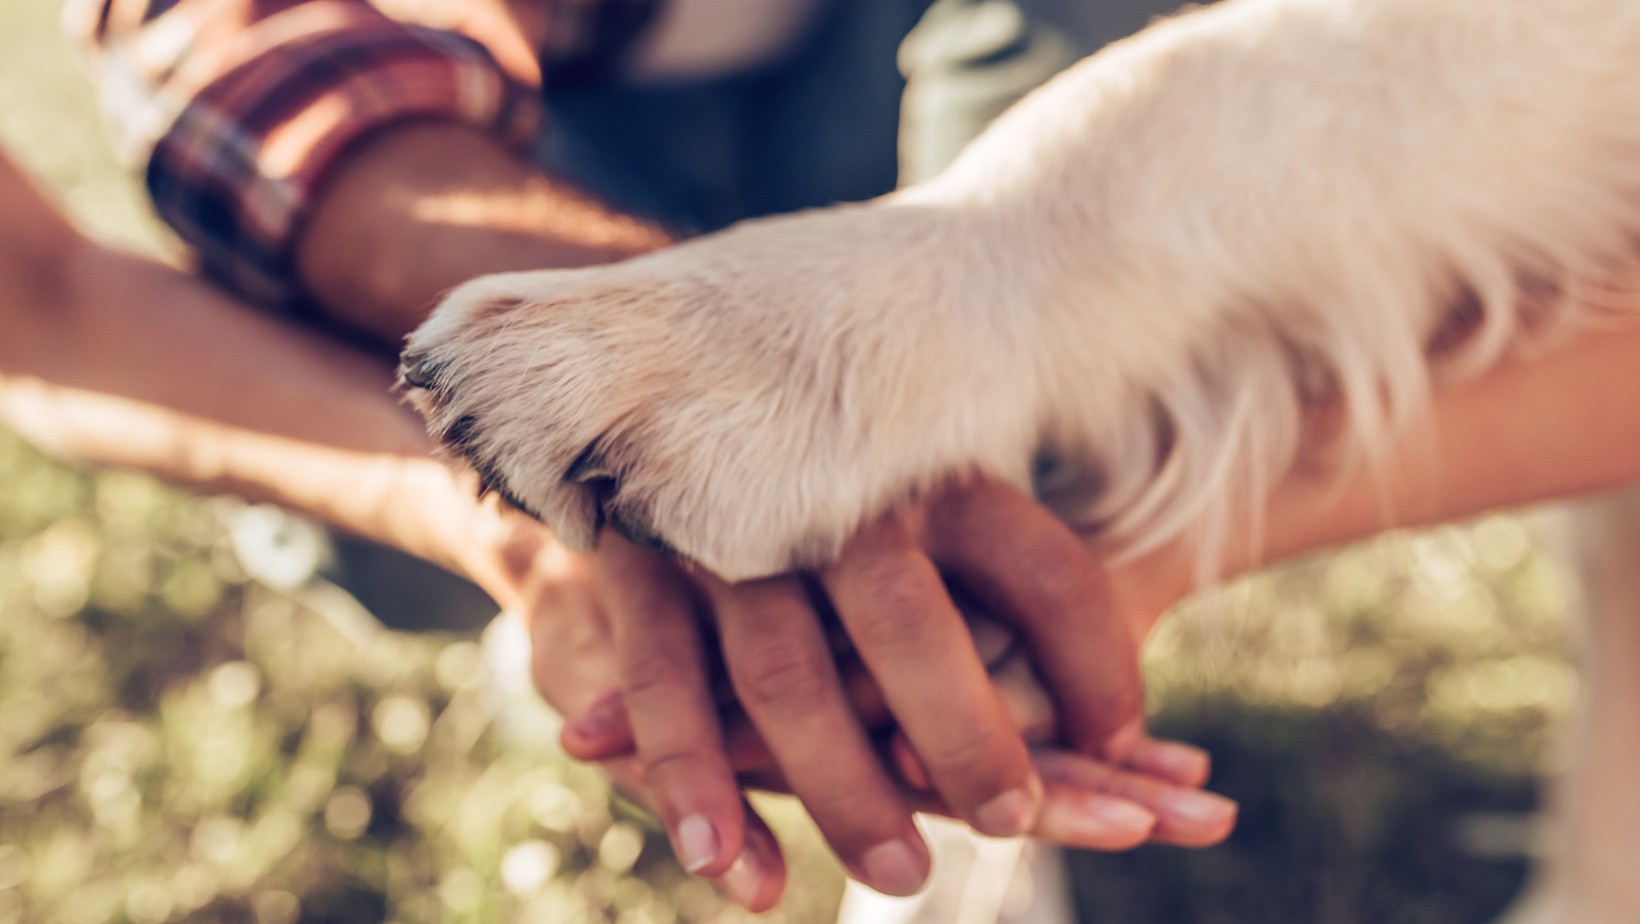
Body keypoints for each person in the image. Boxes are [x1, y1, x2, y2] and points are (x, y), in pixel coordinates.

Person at [57, 0, 1640, 907]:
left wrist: (1022, 375)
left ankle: (980, 646)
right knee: (441, 384)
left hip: (999, 61)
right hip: (563, 127)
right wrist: (598, 463)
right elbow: (227, 111)